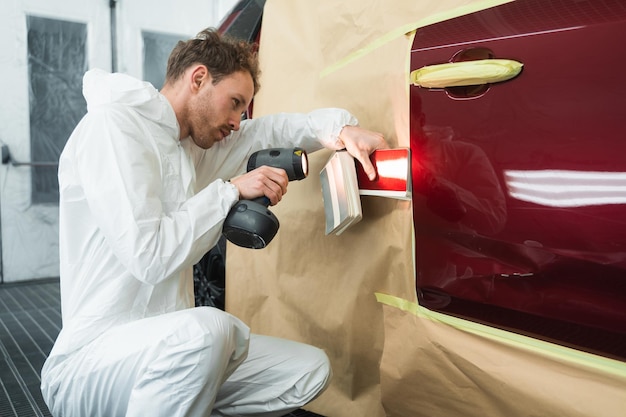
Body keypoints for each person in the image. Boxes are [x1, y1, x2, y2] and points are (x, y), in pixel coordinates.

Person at [40, 28, 387, 417]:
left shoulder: (190, 149)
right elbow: (149, 255)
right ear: (199, 79)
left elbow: (271, 131)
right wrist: (230, 191)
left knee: (306, 370)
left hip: (174, 354)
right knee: (208, 331)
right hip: (94, 363)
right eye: (235, 103)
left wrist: (340, 129)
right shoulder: (114, 128)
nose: (237, 121)